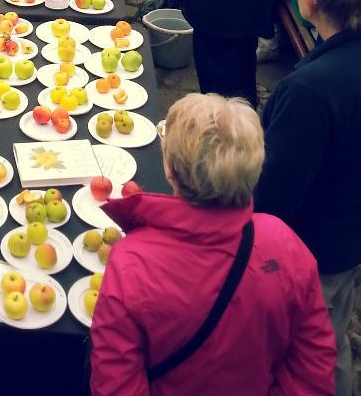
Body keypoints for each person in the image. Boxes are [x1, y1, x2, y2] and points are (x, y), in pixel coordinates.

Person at [91, 92, 336, 395]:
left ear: (169, 170)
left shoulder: (132, 261)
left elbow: (117, 381)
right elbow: (312, 363)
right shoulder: (285, 243)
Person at [254, 0, 361, 396]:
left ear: (309, 0)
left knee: (311, 345)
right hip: (348, 231)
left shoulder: (309, 91)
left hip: (313, 247)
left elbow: (274, 193)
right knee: (332, 335)